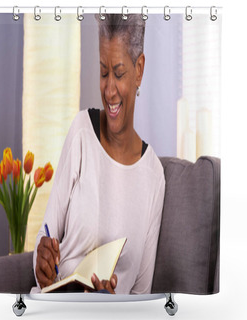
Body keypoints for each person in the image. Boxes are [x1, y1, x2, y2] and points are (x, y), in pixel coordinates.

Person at [32, 14, 165, 294]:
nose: (109, 89)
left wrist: (111, 304)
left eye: (118, 73)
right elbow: (47, 233)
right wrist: (40, 260)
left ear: (139, 69)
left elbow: (142, 295)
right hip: (56, 309)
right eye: (104, 72)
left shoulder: (154, 177)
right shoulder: (82, 132)